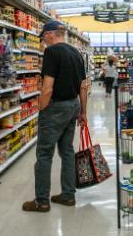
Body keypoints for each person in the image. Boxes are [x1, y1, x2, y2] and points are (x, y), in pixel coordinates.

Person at [22, 20, 88, 212]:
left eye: (43, 38)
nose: (43, 42)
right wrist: (83, 111)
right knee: (67, 151)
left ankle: (41, 201)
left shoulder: (51, 52)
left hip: (56, 107)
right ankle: (68, 195)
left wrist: (42, 109)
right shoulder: (76, 52)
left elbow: (47, 87)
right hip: (73, 105)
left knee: (44, 154)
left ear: (50, 34)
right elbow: (83, 86)